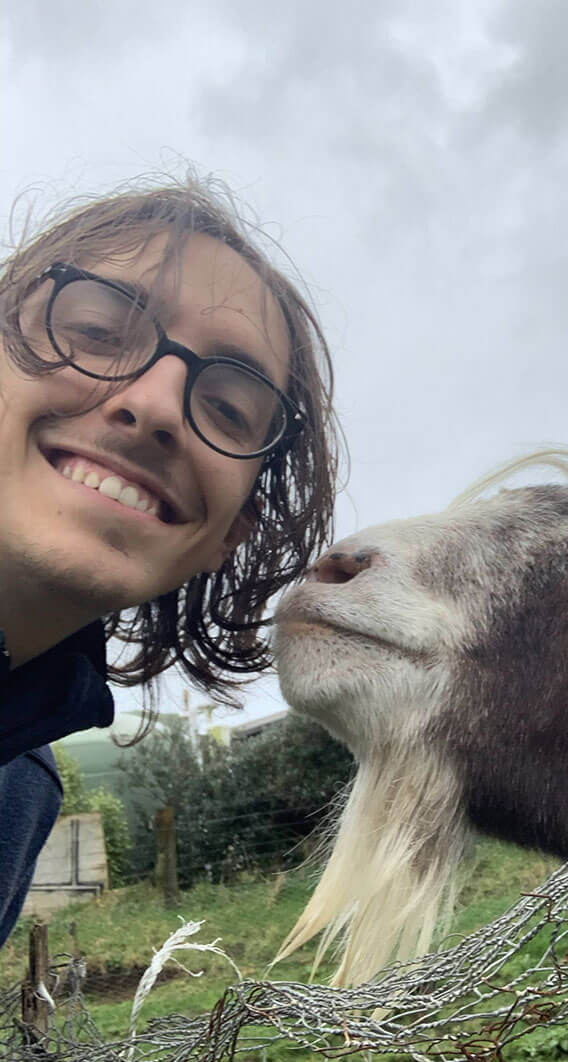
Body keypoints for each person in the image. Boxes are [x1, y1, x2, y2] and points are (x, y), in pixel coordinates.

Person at [0, 177, 340, 945]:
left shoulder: (18, 790)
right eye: (93, 328)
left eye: (226, 407)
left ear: (233, 530)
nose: (154, 404)